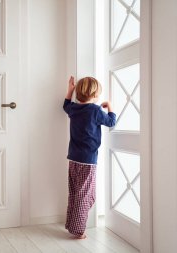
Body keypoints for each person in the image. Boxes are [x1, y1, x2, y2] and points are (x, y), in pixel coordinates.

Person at [63, 76, 116, 239]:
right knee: (84, 195)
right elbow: (111, 122)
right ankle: (79, 230)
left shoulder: (74, 109)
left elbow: (65, 105)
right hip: (88, 160)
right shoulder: (94, 110)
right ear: (94, 95)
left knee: (75, 193)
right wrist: (110, 107)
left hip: (73, 158)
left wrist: (70, 90)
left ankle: (71, 224)